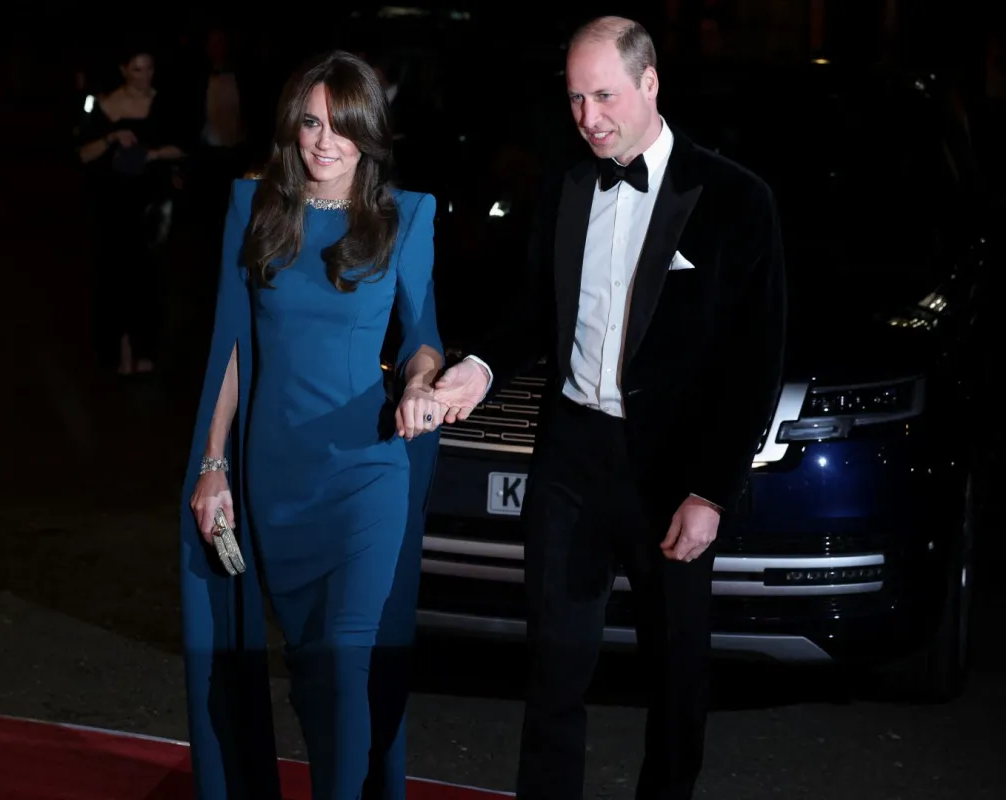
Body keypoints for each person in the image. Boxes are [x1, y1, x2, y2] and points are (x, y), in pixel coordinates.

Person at [433, 16, 787, 800]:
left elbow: (753, 361)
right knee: (554, 666)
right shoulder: (565, 185)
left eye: (604, 95)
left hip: (672, 469)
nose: (588, 118)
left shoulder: (735, 199)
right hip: (571, 457)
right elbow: (535, 311)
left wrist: (712, 490)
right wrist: (480, 369)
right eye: (574, 99)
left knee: (675, 673)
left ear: (650, 82)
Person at [178, 49, 447, 799]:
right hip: (277, 477)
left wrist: (422, 379)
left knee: (346, 663)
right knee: (308, 669)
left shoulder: (407, 215)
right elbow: (233, 349)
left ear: (370, 132)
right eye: (310, 123)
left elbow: (422, 334)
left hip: (367, 469)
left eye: (342, 126)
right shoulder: (255, 208)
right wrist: (213, 464)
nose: (324, 142)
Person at [77, 47, 187, 375]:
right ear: (124, 70)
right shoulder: (102, 104)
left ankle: (145, 347)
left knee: (149, 277)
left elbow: (183, 146)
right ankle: (119, 347)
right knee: (114, 276)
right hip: (112, 203)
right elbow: (83, 153)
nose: (145, 76)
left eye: (149, 69)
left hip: (151, 203)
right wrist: (112, 138)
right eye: (138, 70)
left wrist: (149, 155)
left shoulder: (164, 103)